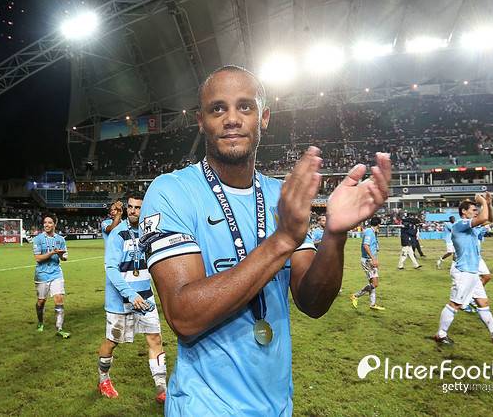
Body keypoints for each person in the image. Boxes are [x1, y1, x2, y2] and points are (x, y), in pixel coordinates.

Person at [138, 65, 391, 415]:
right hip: (203, 407)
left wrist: (335, 234)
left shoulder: (279, 196)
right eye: (217, 108)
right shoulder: (172, 191)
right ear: (201, 121)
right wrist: (282, 240)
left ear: (264, 117)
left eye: (245, 106)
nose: (231, 119)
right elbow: (183, 316)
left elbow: (313, 302)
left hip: (277, 406)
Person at [97, 194, 167, 403]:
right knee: (112, 342)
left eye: (138, 207)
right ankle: (103, 379)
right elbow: (111, 268)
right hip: (120, 300)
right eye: (130, 207)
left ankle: (162, 388)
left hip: (145, 297)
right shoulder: (117, 233)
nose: (133, 211)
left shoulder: (150, 233)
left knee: (155, 339)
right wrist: (130, 294)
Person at [434, 194, 493, 346]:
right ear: (464, 212)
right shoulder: (460, 224)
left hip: (473, 272)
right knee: (455, 304)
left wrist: (488, 204)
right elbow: (483, 217)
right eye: (473, 210)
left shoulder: (473, 229)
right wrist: (482, 201)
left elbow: (490, 219)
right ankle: (441, 334)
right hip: (463, 272)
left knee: (483, 302)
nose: (476, 212)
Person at [32, 215, 71, 337]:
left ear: (55, 224)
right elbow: (38, 258)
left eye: (49, 222)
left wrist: (60, 255)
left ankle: (59, 328)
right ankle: (40, 322)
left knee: (59, 298)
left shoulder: (60, 239)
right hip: (41, 274)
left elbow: (65, 258)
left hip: (56, 273)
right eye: (45, 222)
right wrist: (52, 252)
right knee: (41, 301)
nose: (47, 225)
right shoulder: (38, 239)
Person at [350, 217, 384, 310]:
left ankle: (372, 304)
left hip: (370, 260)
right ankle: (355, 295)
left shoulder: (373, 232)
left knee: (372, 284)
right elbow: (366, 245)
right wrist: (373, 259)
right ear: (378, 224)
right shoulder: (369, 232)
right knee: (375, 284)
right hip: (368, 260)